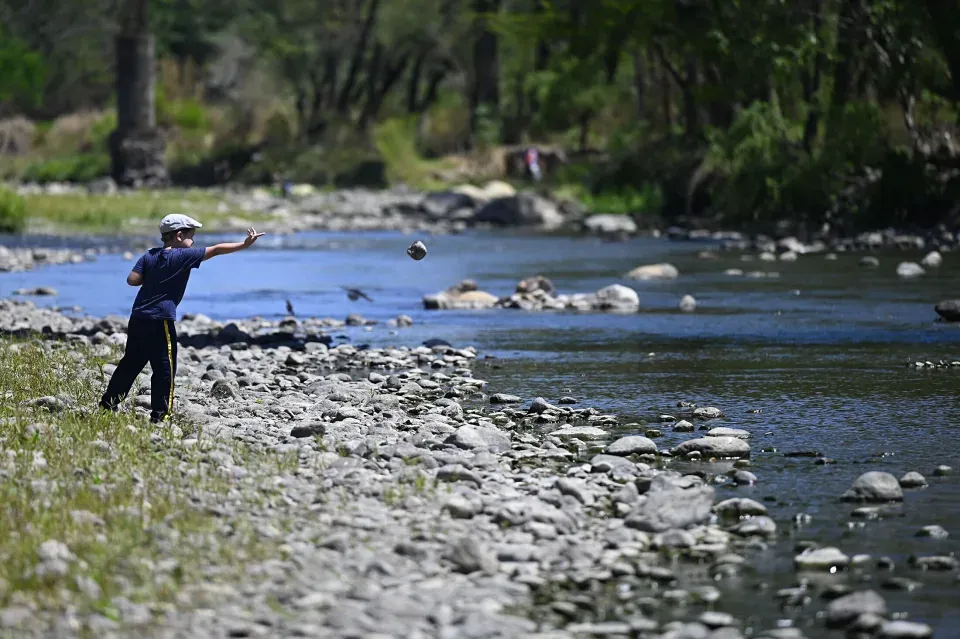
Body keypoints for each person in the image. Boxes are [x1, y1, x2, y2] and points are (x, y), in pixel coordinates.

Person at [99, 214, 265, 423]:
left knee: (130, 364)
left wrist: (155, 277)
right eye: (191, 236)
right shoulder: (182, 255)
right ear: (179, 235)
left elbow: (132, 280)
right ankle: (161, 415)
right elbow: (216, 250)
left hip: (138, 316)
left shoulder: (150, 255)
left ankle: (108, 404)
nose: (193, 241)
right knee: (164, 368)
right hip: (161, 320)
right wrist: (244, 244)